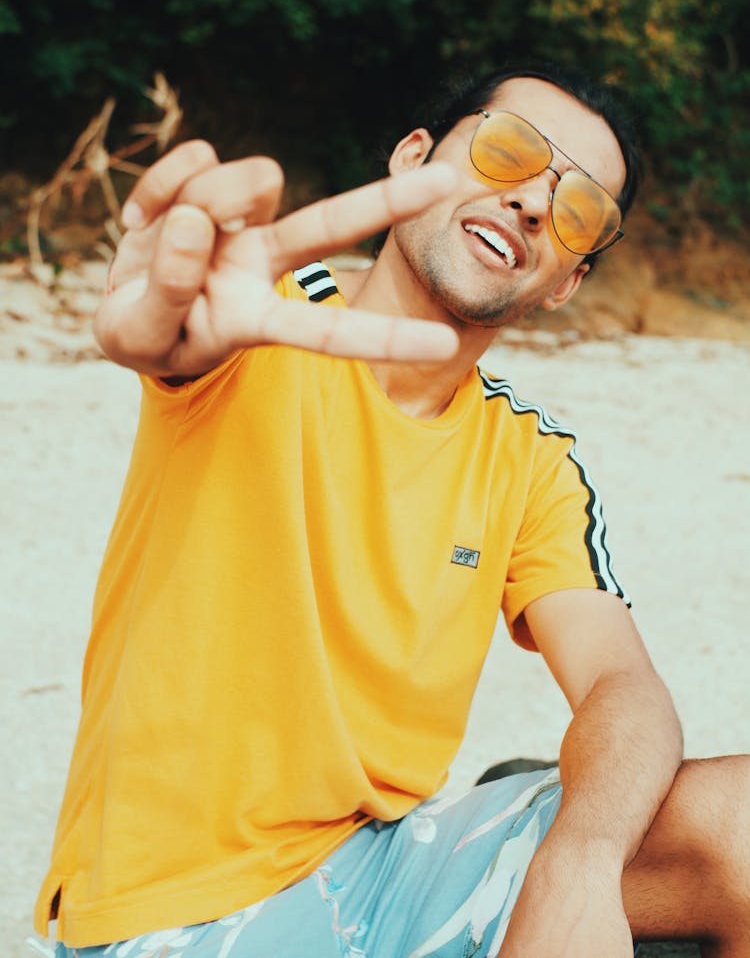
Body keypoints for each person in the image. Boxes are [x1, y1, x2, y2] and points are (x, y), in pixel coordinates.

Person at [36, 63, 749, 958]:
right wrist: (163, 332)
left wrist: (580, 864)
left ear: (568, 281)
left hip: (386, 869)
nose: (533, 202)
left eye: (578, 210)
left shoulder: (526, 458)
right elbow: (172, 344)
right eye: (508, 151)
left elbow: (623, 687)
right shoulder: (252, 331)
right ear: (413, 158)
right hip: (175, 913)